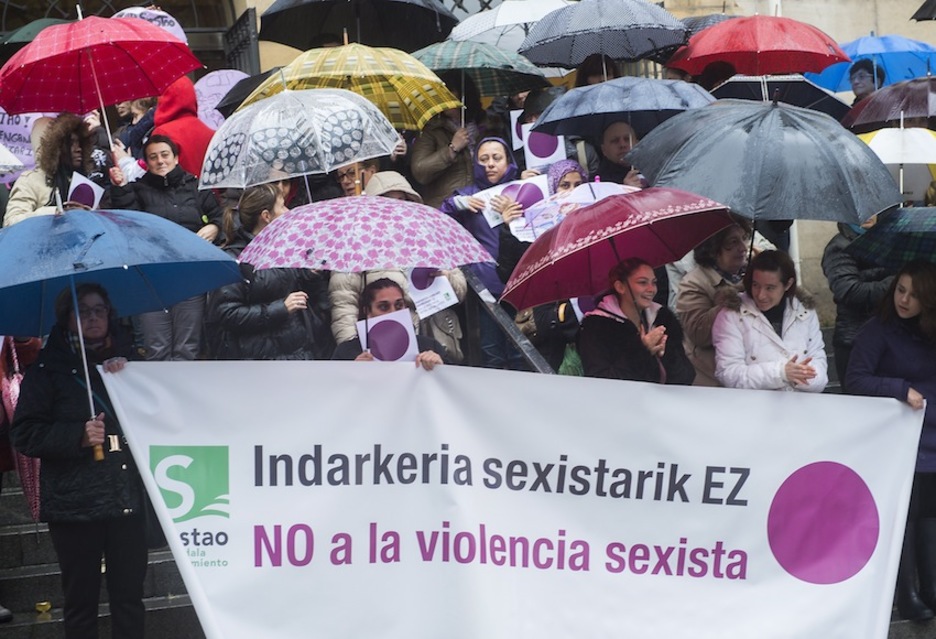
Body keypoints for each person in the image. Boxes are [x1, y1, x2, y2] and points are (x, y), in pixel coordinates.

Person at [11, 283, 148, 639]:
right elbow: (25, 434)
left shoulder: (130, 360)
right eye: (82, 311)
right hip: (74, 506)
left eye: (99, 309)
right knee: (81, 604)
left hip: (125, 499)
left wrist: (131, 377)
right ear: (66, 319)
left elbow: (157, 414)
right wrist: (77, 436)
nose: (92, 318)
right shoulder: (46, 370)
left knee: (130, 600)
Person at [846, 260, 936, 621]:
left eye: (914, 294)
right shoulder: (878, 330)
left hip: (932, 431)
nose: (904, 299)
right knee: (907, 515)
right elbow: (856, 379)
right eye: (900, 289)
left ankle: (931, 586)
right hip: (900, 437)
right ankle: (906, 593)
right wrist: (900, 389)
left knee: (930, 514)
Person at [329, 171, 467, 361]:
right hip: (379, 346)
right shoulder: (354, 242)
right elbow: (344, 303)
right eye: (386, 200)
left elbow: (460, 293)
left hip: (430, 342)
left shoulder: (426, 237)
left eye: (402, 199)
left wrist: (445, 275)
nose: (395, 206)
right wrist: (354, 350)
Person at [109, 135, 223, 360]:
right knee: (156, 348)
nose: (160, 161)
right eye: (153, 157)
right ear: (146, 163)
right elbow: (127, 219)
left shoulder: (196, 186)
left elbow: (220, 217)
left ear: (176, 158)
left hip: (191, 276)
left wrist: (215, 228)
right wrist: (120, 187)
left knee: (188, 348)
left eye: (165, 155)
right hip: (153, 279)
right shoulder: (138, 190)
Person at [208, 183, 334, 360]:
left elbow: (293, 286)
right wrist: (280, 309)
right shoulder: (234, 259)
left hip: (295, 351)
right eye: (282, 206)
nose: (288, 211)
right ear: (266, 216)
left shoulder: (286, 248)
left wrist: (310, 274)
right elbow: (227, 313)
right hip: (257, 359)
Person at [441, 137, 524, 369]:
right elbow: (439, 223)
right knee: (491, 350)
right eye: (484, 159)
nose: (490, 164)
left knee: (521, 350)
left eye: (497, 158)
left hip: (519, 281)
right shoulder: (468, 196)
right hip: (486, 285)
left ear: (509, 161)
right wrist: (458, 203)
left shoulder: (523, 190)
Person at [497, 159, 587, 371]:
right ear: (551, 189)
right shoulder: (533, 231)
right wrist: (510, 230)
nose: (572, 192)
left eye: (578, 185)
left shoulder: (593, 226)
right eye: (565, 185)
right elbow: (508, 275)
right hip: (549, 330)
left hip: (585, 327)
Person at [712, 250, 827, 392]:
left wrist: (803, 376)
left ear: (788, 284)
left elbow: (819, 363)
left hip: (800, 406)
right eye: (756, 285)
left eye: (770, 288)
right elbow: (728, 374)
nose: (761, 295)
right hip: (753, 408)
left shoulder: (805, 311)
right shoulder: (732, 315)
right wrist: (780, 373)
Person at [578, 258, 695, 384]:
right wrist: (642, 351)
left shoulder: (662, 318)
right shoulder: (596, 328)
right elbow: (601, 382)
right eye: (643, 282)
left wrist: (666, 354)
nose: (652, 289)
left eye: (654, 282)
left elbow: (687, 376)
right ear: (620, 287)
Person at [675, 219, 751, 386]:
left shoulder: (750, 277)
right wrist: (729, 300)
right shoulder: (693, 283)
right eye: (733, 242)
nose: (743, 248)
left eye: (744, 238)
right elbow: (699, 334)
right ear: (713, 248)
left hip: (748, 375)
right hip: (711, 380)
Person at [821, 221, 893, 392]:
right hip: (854, 340)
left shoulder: (888, 240)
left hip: (890, 336)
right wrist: (895, 283)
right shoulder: (839, 246)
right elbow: (849, 291)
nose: (869, 216)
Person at [332, 278, 449, 370]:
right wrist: (350, 373)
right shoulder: (346, 353)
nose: (393, 312)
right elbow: (333, 391)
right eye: (384, 307)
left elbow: (453, 387)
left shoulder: (429, 346)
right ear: (367, 311)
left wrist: (440, 367)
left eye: (399, 306)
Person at [4, 113, 96, 226]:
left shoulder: (84, 183)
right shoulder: (31, 181)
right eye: (71, 143)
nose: (78, 149)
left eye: (80, 143)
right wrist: (55, 212)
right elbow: (11, 222)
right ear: (56, 148)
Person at [410, 73, 483, 208]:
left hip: (481, 203)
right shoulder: (431, 129)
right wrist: (452, 149)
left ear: (464, 94)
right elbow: (420, 171)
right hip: (446, 208)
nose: (444, 98)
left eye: (450, 92)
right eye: (441, 93)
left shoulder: (484, 124)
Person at [150, 75, 214, 178]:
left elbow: (157, 177)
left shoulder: (163, 133)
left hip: (177, 192)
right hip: (209, 193)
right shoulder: (210, 133)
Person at [595, 120, 644, 188]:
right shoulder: (597, 183)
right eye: (615, 141)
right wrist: (625, 189)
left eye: (627, 139)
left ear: (637, 144)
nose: (622, 145)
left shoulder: (652, 173)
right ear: (604, 150)